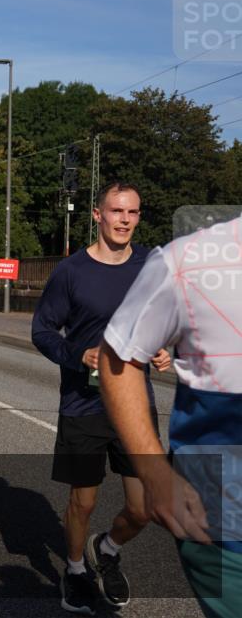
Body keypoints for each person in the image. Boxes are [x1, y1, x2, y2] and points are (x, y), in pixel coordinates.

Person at [32, 182, 171, 614]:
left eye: (132, 212)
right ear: (98, 215)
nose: (124, 220)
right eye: (116, 211)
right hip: (84, 402)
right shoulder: (71, 271)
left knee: (145, 506)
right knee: (84, 500)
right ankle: (74, 570)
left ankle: (105, 549)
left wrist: (168, 345)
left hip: (134, 404)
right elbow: (41, 330)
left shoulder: (152, 264)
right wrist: (78, 354)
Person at [100, 216, 241, 618]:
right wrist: (155, 472)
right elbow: (118, 357)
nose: (125, 220)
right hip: (224, 526)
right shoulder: (186, 262)